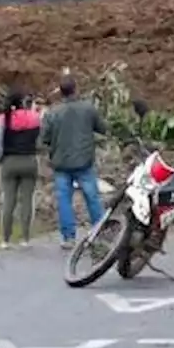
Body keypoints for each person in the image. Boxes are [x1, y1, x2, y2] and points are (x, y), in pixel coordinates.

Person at [39, 75, 109, 249]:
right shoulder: (88, 109)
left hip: (61, 163)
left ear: (60, 92)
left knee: (64, 200)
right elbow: (103, 128)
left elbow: (44, 138)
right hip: (84, 161)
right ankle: (98, 233)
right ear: (76, 89)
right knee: (92, 197)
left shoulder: (53, 112)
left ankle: (68, 237)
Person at [0, 90, 42, 249]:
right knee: (27, 200)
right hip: (30, 161)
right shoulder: (34, 117)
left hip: (9, 162)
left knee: (8, 200)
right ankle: (25, 239)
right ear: (23, 102)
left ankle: (5, 240)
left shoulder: (3, 119)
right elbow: (41, 140)